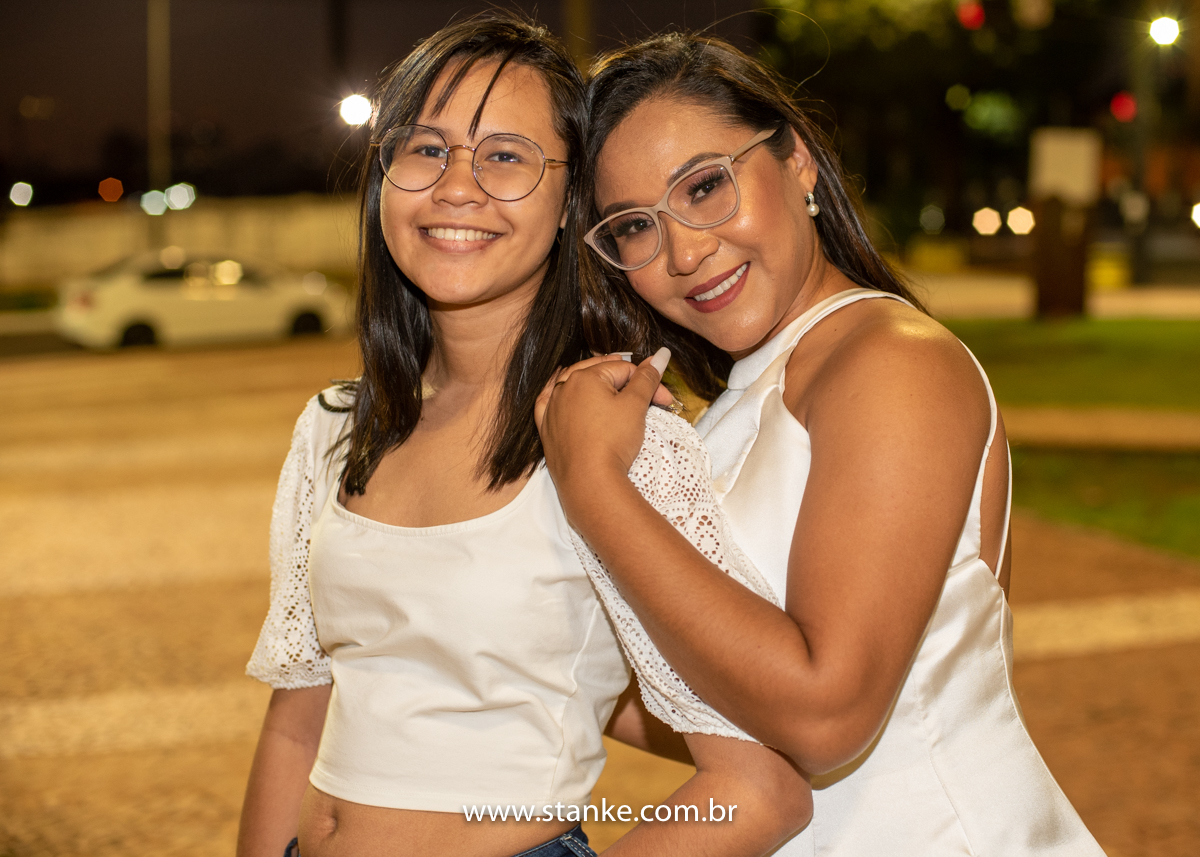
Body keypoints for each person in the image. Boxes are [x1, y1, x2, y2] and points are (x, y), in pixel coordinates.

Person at [237, 15, 809, 857]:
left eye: (506, 156)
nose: (456, 187)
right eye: (425, 148)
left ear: (571, 198)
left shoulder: (615, 439)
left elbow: (758, 789)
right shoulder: (336, 427)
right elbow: (298, 711)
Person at [537, 32, 1107, 856]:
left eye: (705, 186)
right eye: (634, 227)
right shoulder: (741, 399)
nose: (685, 251)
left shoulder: (891, 362)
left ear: (797, 160)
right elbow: (735, 704)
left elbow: (826, 713)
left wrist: (593, 485)